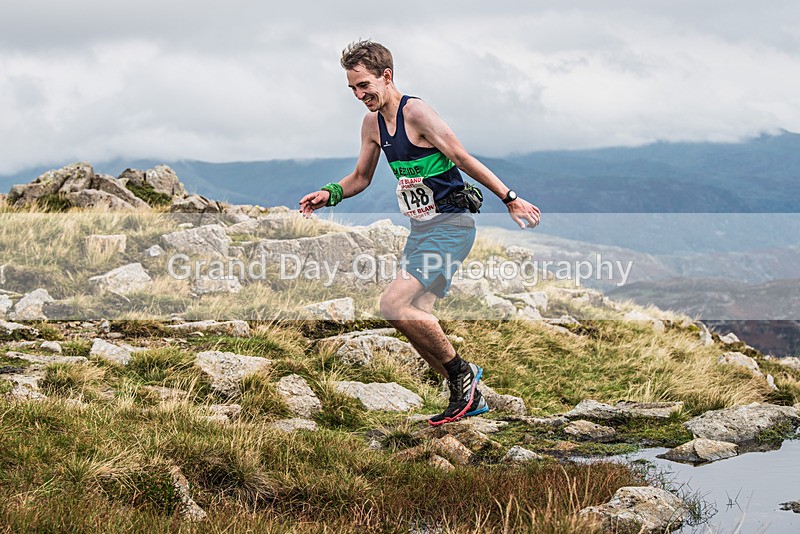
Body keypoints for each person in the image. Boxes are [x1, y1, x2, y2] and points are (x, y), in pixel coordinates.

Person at [299, 40, 540, 425]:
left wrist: (510, 198)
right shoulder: (372, 124)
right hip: (421, 230)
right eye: (353, 90)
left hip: (452, 226)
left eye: (365, 86)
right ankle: (468, 399)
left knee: (392, 305)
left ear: (387, 76)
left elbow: (462, 157)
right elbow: (361, 178)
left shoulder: (417, 112)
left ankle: (463, 375)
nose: (360, 96)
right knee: (414, 317)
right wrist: (329, 194)